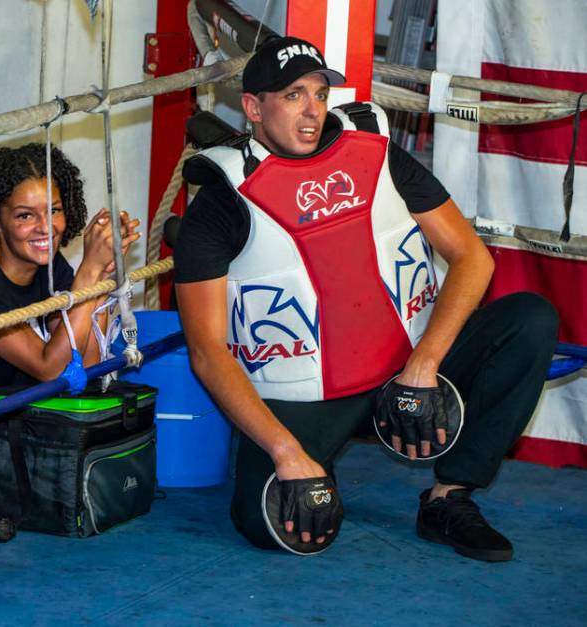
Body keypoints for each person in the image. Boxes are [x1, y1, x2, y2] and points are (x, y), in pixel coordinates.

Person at [174, 36, 558, 561]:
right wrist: (285, 452)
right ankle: (308, 460)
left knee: (530, 320)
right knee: (281, 528)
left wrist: (424, 362)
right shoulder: (222, 200)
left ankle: (450, 497)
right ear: (252, 107)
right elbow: (207, 351)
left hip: (408, 371)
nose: (311, 111)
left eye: (318, 93)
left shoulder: (376, 152)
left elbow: (473, 258)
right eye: (292, 96)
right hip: (309, 395)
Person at [0, 143, 140, 483]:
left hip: (21, 446)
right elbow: (50, 368)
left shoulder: (49, 268)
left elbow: (87, 366)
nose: (46, 227)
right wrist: (89, 272)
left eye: (54, 211)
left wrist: (101, 275)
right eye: (25, 215)